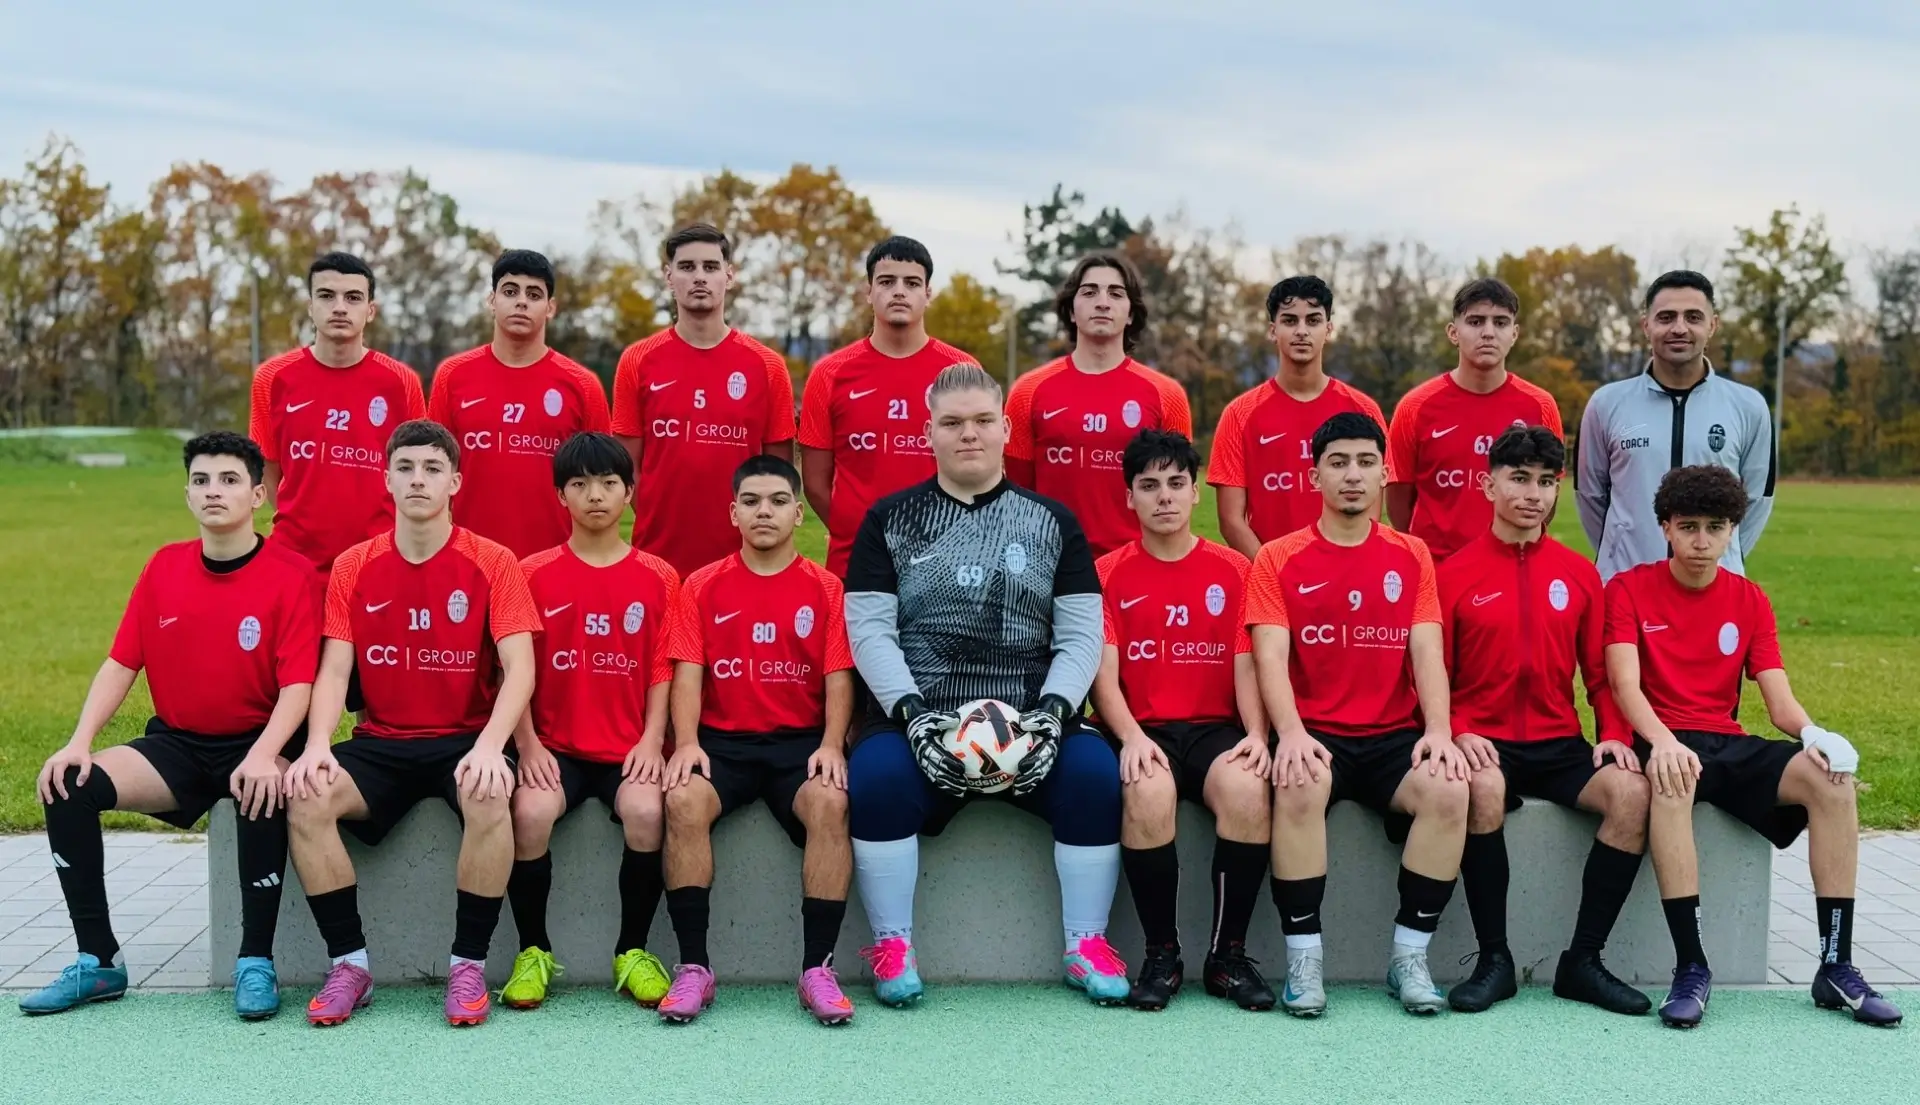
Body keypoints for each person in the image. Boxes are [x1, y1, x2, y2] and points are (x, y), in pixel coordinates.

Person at [844, 363, 1126, 1006]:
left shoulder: (1054, 521)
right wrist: (914, 717)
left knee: (1092, 776)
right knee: (878, 779)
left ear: (1005, 429)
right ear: (928, 434)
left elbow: (1081, 636)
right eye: (951, 423)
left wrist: (1052, 716)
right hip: (921, 717)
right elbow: (871, 633)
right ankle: (893, 946)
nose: (967, 434)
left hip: (1031, 716)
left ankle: (1085, 944)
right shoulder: (888, 519)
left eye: (980, 421)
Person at [23, 433, 319, 1019]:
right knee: (68, 786)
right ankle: (98, 961)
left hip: (258, 740)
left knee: (265, 788)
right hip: (177, 744)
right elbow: (120, 664)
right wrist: (79, 742)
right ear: (187, 495)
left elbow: (298, 686)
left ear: (257, 495)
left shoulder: (292, 574)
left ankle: (255, 962)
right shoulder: (163, 566)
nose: (214, 492)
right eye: (201, 481)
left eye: (230, 480)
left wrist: (265, 754)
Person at [1604, 465, 1901, 1029]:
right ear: (1665, 527)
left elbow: (1778, 700)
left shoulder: (1749, 599)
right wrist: (1662, 742)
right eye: (1688, 526)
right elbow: (1625, 686)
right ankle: (1692, 968)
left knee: (1832, 783)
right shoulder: (1628, 589)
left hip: (1725, 741)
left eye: (1715, 527)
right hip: (1663, 739)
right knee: (1672, 781)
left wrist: (1814, 735)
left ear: (1732, 531)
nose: (1701, 541)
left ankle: (1835, 965)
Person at [283, 420, 539, 1028]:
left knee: (489, 794)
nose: (418, 480)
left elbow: (520, 669)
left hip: (464, 738)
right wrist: (317, 744)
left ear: (455, 482)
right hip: (383, 741)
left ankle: (468, 966)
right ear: (387, 480)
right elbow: (334, 669)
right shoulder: (354, 564)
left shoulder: (493, 560)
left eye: (431, 469)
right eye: (405, 468)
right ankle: (350, 966)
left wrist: (491, 747)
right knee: (307, 797)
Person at [1250, 411, 1469, 1017]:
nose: (1353, 475)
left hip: (1392, 735)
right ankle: (1304, 960)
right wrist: (1290, 733)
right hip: (1315, 733)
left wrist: (1439, 731)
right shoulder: (1278, 557)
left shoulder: (1412, 554)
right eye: (1339, 463)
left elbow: (1427, 652)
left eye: (1366, 462)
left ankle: (1409, 958)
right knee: (1297, 783)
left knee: (1450, 789)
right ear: (1314, 475)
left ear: (1383, 474)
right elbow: (1270, 656)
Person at [1437, 425, 1652, 1016]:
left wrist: (1613, 736)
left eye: (1545, 482)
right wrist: (1458, 728)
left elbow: (1601, 677)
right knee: (1481, 790)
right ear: (1488, 486)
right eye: (1518, 479)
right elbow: (1431, 676)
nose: (1533, 494)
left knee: (1632, 795)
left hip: (1559, 743)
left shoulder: (1579, 574)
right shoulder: (1452, 574)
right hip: (1484, 741)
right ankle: (1494, 961)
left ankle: (1583, 961)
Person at [655, 455, 857, 1025]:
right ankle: (693, 968)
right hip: (723, 744)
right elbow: (687, 674)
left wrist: (832, 744)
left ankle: (818, 970)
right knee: (682, 800)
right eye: (751, 502)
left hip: (800, 745)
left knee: (831, 802)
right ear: (733, 513)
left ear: (798, 513)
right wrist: (687, 742)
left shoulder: (827, 588)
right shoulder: (701, 585)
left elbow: (838, 677)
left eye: (776, 501)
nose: (763, 511)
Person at [1090, 429, 1275, 1011]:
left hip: (1214, 729)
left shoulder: (1236, 569)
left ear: (1196, 492)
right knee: (1147, 792)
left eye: (1176, 483)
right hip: (1143, 728)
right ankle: (1161, 955)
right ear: (1130, 498)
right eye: (1149, 486)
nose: (1165, 496)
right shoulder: (1106, 573)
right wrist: (1130, 737)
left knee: (1248, 789)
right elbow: (1103, 674)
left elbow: (1247, 664)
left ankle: (1227, 957)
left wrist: (1257, 735)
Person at [499, 432, 679, 1012]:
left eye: (608, 483)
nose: (595, 495)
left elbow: (662, 669)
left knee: (647, 812)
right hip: (555, 748)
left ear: (630, 491)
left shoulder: (659, 576)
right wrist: (528, 747)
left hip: (629, 748)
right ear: (561, 495)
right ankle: (533, 951)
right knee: (529, 814)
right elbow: (514, 671)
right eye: (579, 484)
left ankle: (632, 951)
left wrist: (652, 740)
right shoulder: (531, 572)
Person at [610, 224, 796, 576]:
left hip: (744, 564)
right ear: (669, 276)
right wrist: (659, 515)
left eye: (710, 267)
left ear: (729, 276)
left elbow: (777, 474)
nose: (699, 277)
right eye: (687, 267)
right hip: (658, 561)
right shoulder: (638, 360)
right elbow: (625, 467)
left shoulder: (767, 365)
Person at [1577, 271, 1776, 583]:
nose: (1679, 328)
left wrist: (1718, 557)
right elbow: (1590, 495)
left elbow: (1756, 500)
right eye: (1666, 317)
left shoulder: (1748, 407)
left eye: (1693, 317)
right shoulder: (1606, 404)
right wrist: (1620, 551)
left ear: (1712, 325)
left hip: (1712, 588)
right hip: (1626, 587)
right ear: (1646, 326)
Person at [799, 236, 977, 576]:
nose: (899, 292)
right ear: (869, 292)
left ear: (928, 293)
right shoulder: (830, 374)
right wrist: (857, 533)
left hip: (944, 564)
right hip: (857, 565)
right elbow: (815, 484)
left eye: (912, 283)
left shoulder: (961, 371)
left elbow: (981, 469)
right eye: (886, 282)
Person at [249, 252, 426, 576]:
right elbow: (267, 468)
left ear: (370, 310)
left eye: (353, 297)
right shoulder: (272, 378)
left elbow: (419, 470)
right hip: (295, 562)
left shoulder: (401, 382)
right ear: (310, 306)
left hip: (378, 563)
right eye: (327, 296)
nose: (340, 307)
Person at [428, 249, 612, 559]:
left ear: (550, 307)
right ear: (492, 300)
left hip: (554, 565)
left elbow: (603, 485)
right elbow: (433, 473)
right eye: (510, 291)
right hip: (469, 562)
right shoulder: (453, 376)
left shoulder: (582, 385)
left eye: (534, 294)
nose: (522, 302)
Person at [1005, 253, 1192, 557]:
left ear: (1130, 314)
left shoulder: (1166, 394)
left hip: (1135, 565)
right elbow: (1015, 496)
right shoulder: (1028, 391)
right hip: (1052, 564)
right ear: (1071, 310)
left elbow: (1177, 498)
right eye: (1090, 292)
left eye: (1116, 294)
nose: (1103, 302)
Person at [1386, 278, 1562, 562]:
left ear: (1514, 333)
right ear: (1453, 332)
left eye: (1500, 322)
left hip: (1510, 567)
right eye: (1476, 321)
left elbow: (1547, 492)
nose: (1488, 333)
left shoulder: (1540, 406)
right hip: (1438, 570)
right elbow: (1398, 499)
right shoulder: (1415, 407)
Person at [1210, 276, 1386, 558]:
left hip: (1344, 572)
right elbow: (1231, 520)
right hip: (1272, 574)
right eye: (1290, 321)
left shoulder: (1362, 409)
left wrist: (1343, 568)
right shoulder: (1239, 415)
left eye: (1313, 321)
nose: (1302, 331)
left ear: (1328, 329)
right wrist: (1273, 573)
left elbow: (1370, 511)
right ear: (1273, 330)